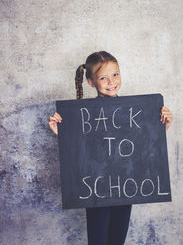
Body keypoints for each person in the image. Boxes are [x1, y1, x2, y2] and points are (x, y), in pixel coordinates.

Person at [48, 51, 173, 245]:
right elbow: (80, 148)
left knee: (117, 240)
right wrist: (61, 132)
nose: (111, 81)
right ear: (90, 82)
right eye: (103, 77)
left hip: (126, 187)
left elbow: (144, 144)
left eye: (115, 74)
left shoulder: (136, 111)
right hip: (96, 189)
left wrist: (160, 125)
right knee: (98, 241)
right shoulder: (84, 115)